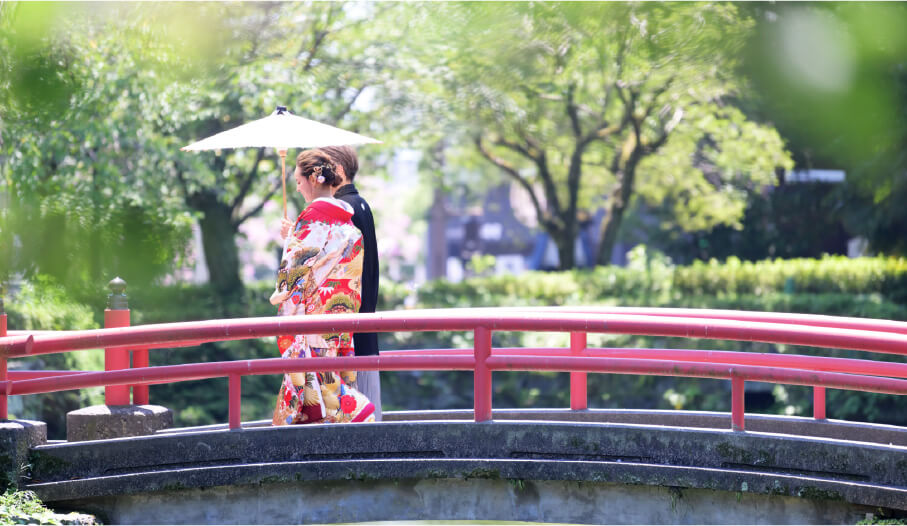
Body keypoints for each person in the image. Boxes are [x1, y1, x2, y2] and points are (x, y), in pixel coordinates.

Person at [270, 149, 375, 425]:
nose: (297, 187)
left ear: (314, 179)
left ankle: (357, 410)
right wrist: (293, 234)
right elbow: (348, 276)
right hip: (340, 315)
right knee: (330, 374)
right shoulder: (349, 224)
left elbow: (295, 268)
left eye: (298, 180)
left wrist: (282, 291)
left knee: (316, 378)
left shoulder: (312, 218)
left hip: (313, 319)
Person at [321, 145, 383, 421]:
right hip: (365, 313)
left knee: (355, 407)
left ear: (340, 171)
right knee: (368, 400)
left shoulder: (344, 208)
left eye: (325, 168)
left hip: (349, 320)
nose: (318, 175)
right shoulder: (361, 204)